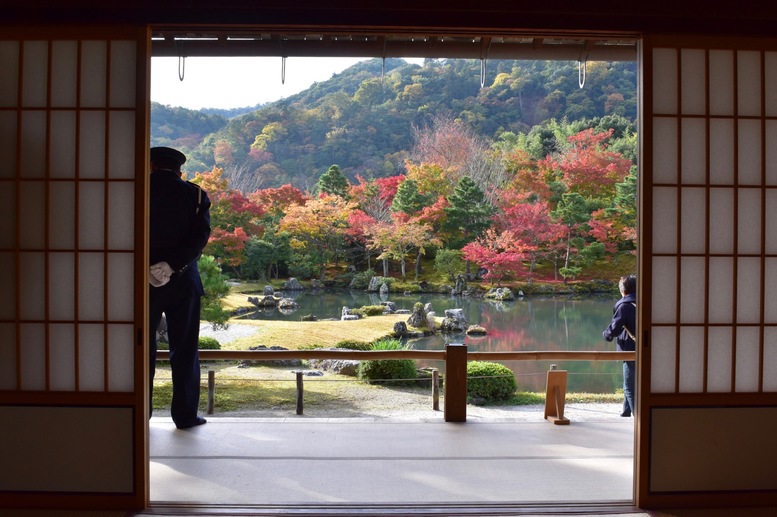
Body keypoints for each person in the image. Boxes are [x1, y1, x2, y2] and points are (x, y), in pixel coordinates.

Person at [148, 146, 212, 429]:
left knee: (139, 348)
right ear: (179, 170)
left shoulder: (133, 190)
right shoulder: (195, 194)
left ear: (150, 165)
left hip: (140, 283)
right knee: (184, 348)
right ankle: (185, 416)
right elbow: (199, 238)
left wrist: (147, 267)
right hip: (184, 281)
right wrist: (172, 266)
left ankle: (139, 412)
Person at [603, 274, 637, 417]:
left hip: (630, 349)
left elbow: (614, 328)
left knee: (629, 386)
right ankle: (626, 411)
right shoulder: (646, 302)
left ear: (623, 291)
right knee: (633, 382)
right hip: (648, 348)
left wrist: (606, 335)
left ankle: (639, 416)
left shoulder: (624, 306)